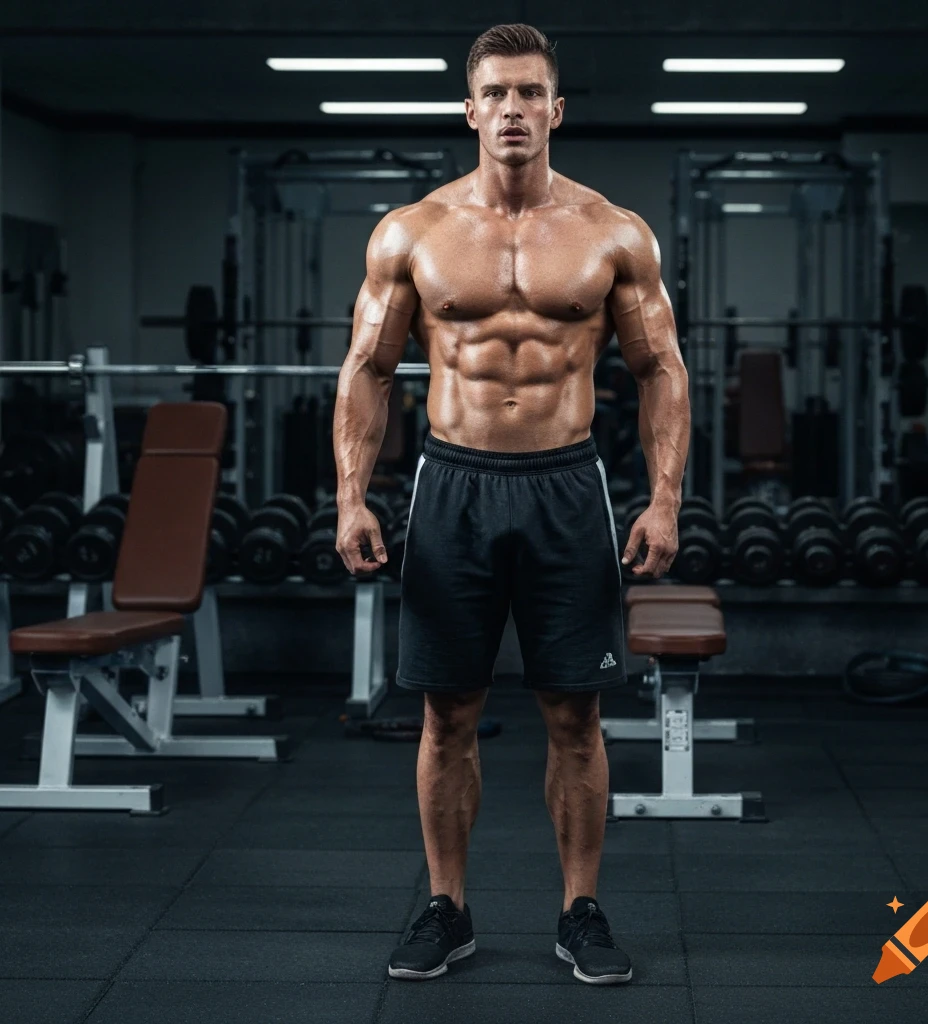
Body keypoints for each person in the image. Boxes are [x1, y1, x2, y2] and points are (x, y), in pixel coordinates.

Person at [333, 23, 690, 986]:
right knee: (447, 714)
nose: (513, 110)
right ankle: (446, 907)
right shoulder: (413, 231)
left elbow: (661, 367)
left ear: (556, 109)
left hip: (567, 487)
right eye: (495, 93)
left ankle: (580, 911)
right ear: (470, 109)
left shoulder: (614, 231)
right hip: (452, 485)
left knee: (576, 714)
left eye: (530, 93)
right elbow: (367, 367)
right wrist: (349, 498)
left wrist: (664, 499)